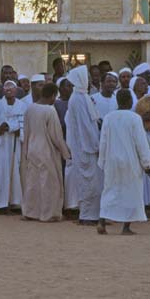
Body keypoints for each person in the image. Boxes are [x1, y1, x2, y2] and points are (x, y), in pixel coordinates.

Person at [97, 89, 150, 235]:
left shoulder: (109, 118)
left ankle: (102, 222)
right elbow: (141, 143)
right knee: (131, 191)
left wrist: (102, 161)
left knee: (110, 190)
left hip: (112, 161)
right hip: (130, 162)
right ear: (130, 101)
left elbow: (103, 141)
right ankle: (126, 227)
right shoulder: (135, 118)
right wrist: (147, 164)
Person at [21, 83, 71, 222]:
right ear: (53, 95)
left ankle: (31, 212)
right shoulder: (50, 110)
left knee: (33, 181)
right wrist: (65, 151)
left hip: (32, 148)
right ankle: (49, 213)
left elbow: (26, 130)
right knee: (50, 183)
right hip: (46, 151)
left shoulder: (30, 108)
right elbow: (56, 135)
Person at [64, 66, 103, 224]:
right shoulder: (78, 98)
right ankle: (87, 216)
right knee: (88, 182)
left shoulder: (83, 96)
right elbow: (85, 127)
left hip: (88, 146)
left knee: (93, 182)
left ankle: (92, 214)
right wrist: (96, 145)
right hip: (85, 148)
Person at [0, 80, 25, 213]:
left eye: (12, 88)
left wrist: (9, 126)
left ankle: (13, 202)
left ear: (16, 91)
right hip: (0, 145)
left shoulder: (22, 105)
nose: (9, 91)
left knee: (14, 172)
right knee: (1, 172)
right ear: (3, 91)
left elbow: (23, 124)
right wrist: (1, 127)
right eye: (6, 88)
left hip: (15, 144)